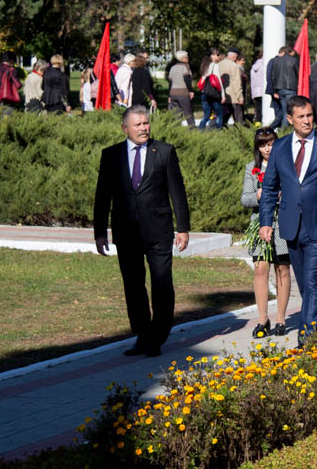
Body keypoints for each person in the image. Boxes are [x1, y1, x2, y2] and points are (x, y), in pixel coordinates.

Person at [93, 106, 190, 358]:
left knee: (161, 283)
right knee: (133, 285)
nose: (144, 128)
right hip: (126, 233)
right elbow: (102, 196)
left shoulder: (164, 151)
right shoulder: (111, 155)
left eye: (146, 123)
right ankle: (143, 335)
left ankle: (158, 336)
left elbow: (177, 192)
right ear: (125, 129)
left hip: (158, 231)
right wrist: (100, 232)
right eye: (137, 125)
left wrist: (183, 228)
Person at [258, 96, 317, 344]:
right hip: (291, 224)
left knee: (312, 280)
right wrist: (265, 221)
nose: (306, 121)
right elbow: (269, 187)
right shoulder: (280, 148)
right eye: (301, 116)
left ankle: (307, 340)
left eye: (309, 115)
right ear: (290, 119)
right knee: (303, 282)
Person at [242, 128, 292, 338]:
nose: (267, 148)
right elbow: (245, 198)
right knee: (261, 268)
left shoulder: (286, 164)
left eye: (270, 143)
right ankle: (263, 319)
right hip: (260, 224)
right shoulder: (252, 168)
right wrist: (259, 195)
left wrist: (281, 194)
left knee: (282, 268)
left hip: (282, 223)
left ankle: (281, 318)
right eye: (263, 145)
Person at [197, 51, 224, 130]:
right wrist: (223, 95)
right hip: (214, 93)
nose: (218, 56)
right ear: (212, 55)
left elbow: (202, 81)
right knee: (219, 114)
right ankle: (218, 131)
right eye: (217, 55)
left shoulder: (204, 65)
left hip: (205, 93)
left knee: (206, 115)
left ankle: (200, 130)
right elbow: (218, 80)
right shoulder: (215, 65)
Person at [166, 51, 194, 125]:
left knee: (176, 115)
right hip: (183, 93)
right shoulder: (186, 66)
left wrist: (169, 96)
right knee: (188, 113)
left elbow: (170, 83)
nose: (188, 58)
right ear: (183, 58)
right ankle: (192, 129)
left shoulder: (173, 68)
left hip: (173, 94)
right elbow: (187, 79)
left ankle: (177, 129)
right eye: (187, 57)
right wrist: (191, 91)